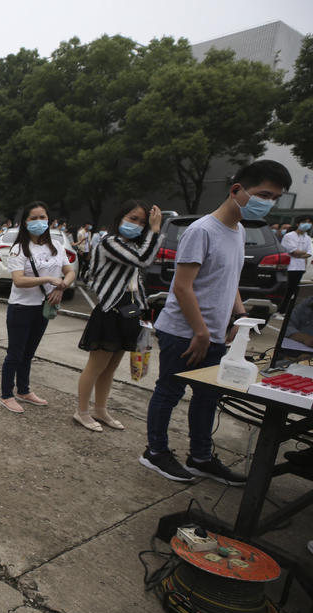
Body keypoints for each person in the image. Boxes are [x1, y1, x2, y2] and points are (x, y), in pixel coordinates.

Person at [143, 160, 292, 484]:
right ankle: (155, 452)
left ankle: (200, 457)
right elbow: (182, 286)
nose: (268, 202)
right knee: (169, 392)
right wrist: (199, 331)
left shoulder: (238, 231)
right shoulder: (202, 230)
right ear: (236, 189)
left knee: (208, 397)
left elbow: (228, 281)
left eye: (275, 197)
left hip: (214, 335)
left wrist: (239, 317)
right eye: (263, 194)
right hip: (184, 332)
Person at [75, 201, 163, 432]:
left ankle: (101, 409)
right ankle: (82, 411)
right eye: (133, 219)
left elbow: (140, 265)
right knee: (96, 365)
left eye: (142, 222)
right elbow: (144, 260)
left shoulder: (131, 246)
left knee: (110, 367)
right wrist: (154, 230)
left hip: (129, 309)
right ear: (120, 218)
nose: (138, 225)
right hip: (111, 309)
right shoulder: (109, 242)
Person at [0, 201, 75, 412]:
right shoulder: (19, 248)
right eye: (33, 218)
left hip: (43, 307)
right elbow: (19, 280)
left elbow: (69, 272)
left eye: (42, 217)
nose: (39, 222)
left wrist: (62, 287)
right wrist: (49, 279)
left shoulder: (57, 246)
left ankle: (23, 390)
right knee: (15, 353)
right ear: (25, 222)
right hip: (21, 307)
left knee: (28, 352)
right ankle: (6, 394)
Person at [281, 214, 312, 314]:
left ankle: (286, 311)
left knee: (293, 290)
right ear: (298, 223)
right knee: (285, 289)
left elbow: (309, 253)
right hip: (288, 267)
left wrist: (298, 254)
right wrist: (298, 253)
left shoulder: (307, 238)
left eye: (309, 222)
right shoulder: (289, 236)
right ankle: (280, 310)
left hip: (300, 267)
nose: (307, 224)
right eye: (304, 222)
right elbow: (293, 251)